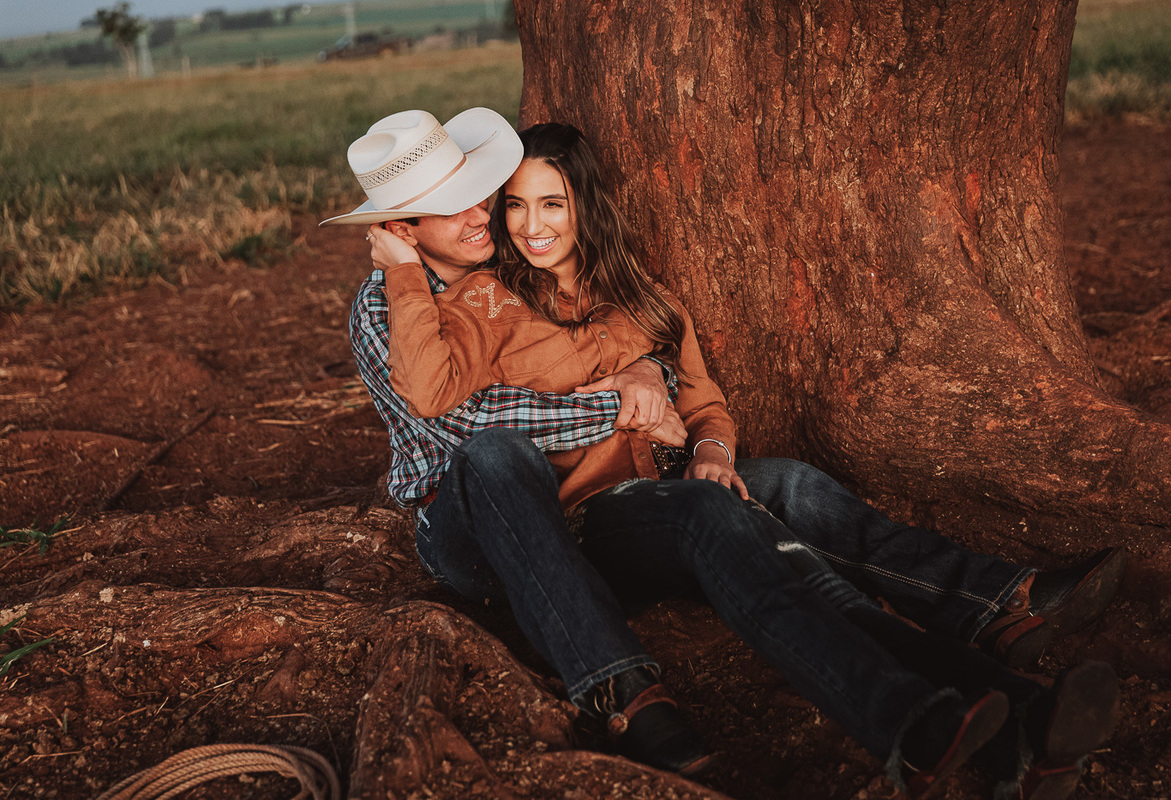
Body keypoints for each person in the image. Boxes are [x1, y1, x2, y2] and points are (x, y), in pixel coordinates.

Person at [326, 109, 1122, 797]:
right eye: (471, 204)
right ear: (401, 229)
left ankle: (1003, 698)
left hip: (613, 499)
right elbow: (458, 420)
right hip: (473, 520)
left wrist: (659, 386)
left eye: (482, 193)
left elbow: (662, 372)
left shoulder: (556, 283)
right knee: (504, 456)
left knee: (775, 511)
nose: (489, 215)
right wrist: (625, 398)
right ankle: (627, 697)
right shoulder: (434, 302)